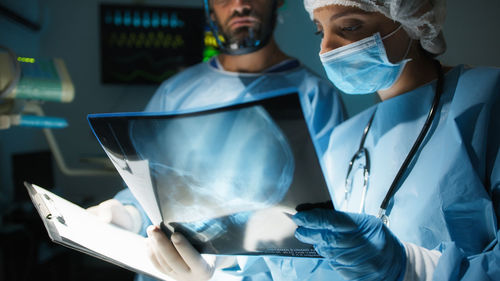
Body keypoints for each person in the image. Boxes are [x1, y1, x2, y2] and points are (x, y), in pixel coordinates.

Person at [88, 0, 345, 280]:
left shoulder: (316, 97)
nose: (240, 5)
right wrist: (126, 212)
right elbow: (149, 184)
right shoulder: (176, 91)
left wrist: (226, 259)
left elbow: (323, 222)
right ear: (210, 8)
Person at [292, 0, 500, 280]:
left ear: (414, 21)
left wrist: (409, 266)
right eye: (320, 31)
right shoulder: (344, 140)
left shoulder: (486, 99)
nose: (325, 49)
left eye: (349, 26)